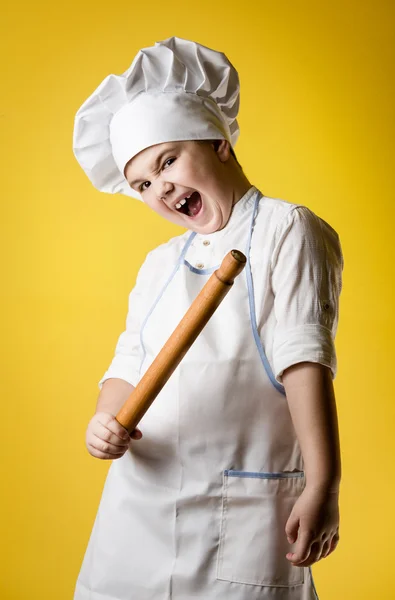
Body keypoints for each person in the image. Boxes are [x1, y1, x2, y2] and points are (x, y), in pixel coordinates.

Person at [73, 36, 343, 600]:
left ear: (219, 142)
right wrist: (104, 418)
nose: (160, 187)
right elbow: (130, 361)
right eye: (143, 183)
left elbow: (303, 359)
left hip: (236, 508)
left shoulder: (285, 229)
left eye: (167, 159)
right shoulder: (159, 264)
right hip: (138, 507)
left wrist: (323, 481)